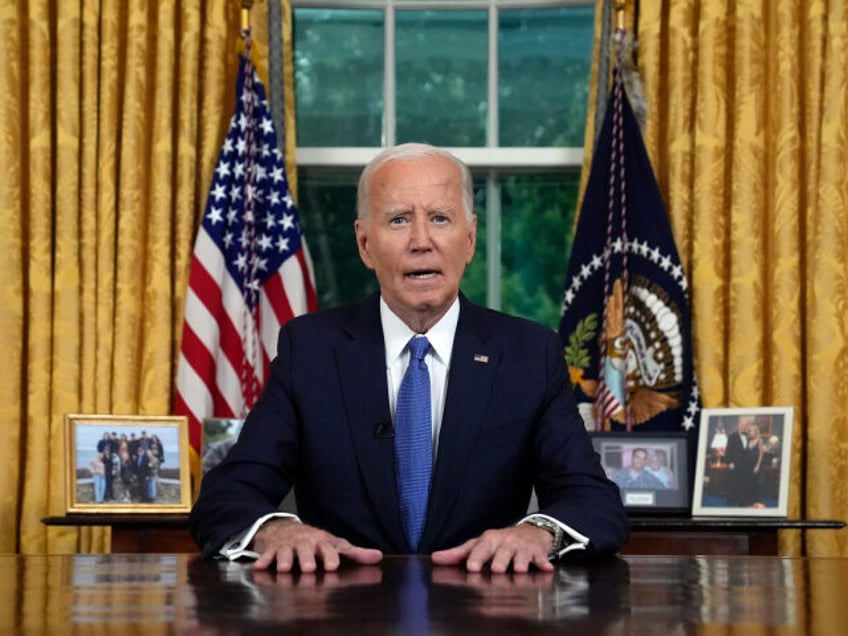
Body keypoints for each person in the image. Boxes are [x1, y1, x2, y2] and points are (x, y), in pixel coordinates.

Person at [189, 143, 629, 574]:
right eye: (399, 220)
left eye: (440, 218)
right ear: (364, 244)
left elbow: (593, 500)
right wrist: (275, 530)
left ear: (470, 238)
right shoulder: (310, 350)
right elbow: (227, 494)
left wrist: (538, 534)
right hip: (344, 610)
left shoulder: (530, 354)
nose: (422, 241)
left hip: (484, 612)